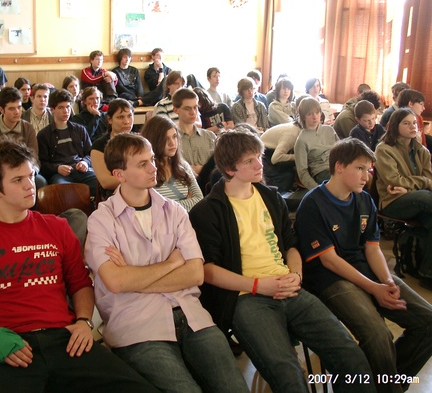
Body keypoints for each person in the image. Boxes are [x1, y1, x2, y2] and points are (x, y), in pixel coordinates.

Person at [0, 139, 159, 393]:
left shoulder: (56, 227)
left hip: (63, 339)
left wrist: (84, 321)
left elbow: (80, 284)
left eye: (30, 176)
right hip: (8, 344)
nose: (30, 185)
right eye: (17, 180)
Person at [188, 130, 375, 393]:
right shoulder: (208, 210)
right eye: (249, 161)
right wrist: (258, 285)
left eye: (259, 156)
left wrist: (296, 275)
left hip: (289, 287)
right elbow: (208, 271)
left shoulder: (270, 197)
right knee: (286, 372)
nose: (259, 164)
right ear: (230, 169)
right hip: (246, 296)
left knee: (349, 354)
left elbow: (291, 244)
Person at [85, 133, 249, 393]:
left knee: (235, 388)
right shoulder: (101, 220)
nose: (154, 167)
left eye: (152, 159)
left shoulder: (175, 212)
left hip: (191, 315)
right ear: (119, 174)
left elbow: (195, 275)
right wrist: (172, 264)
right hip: (137, 325)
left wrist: (133, 278)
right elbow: (115, 282)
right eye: (143, 164)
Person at [296, 138, 432, 393]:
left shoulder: (364, 200)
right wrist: (374, 288)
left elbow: (372, 248)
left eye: (368, 169)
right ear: (339, 166)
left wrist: (387, 282)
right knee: (378, 334)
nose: (366, 176)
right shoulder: (313, 204)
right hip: (331, 279)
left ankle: (382, 386)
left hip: (364, 269)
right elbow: (329, 260)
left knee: (428, 322)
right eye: (359, 168)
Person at [374, 108, 432, 266]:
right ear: (395, 126)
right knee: (425, 196)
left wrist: (409, 189)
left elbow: (429, 179)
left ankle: (426, 271)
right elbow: (394, 180)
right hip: (393, 201)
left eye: (414, 123)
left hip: (416, 198)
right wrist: (421, 184)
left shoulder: (422, 150)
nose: (413, 126)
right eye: (406, 123)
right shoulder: (384, 149)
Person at [0, 87, 46, 189]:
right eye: (11, 109)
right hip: (0, 173)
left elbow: (34, 157)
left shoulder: (28, 128)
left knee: (40, 181)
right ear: (1, 109)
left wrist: (30, 172)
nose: (17, 112)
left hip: (25, 171)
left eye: (19, 107)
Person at [37, 89, 97, 192]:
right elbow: (42, 163)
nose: (66, 111)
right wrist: (57, 168)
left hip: (81, 170)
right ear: (52, 110)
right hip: (60, 174)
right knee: (63, 190)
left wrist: (85, 162)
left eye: (68, 107)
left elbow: (90, 153)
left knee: (100, 182)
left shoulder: (80, 129)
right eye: (61, 108)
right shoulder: (44, 135)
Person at [141, 115, 202, 212]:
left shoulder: (183, 166)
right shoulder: (146, 170)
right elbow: (151, 209)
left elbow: (199, 200)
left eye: (174, 137)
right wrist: (186, 203)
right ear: (154, 141)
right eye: (166, 139)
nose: (172, 143)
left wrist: (167, 206)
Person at [173, 88, 216, 192]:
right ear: (176, 110)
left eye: (195, 107)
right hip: (183, 189)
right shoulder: (171, 139)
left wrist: (203, 169)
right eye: (187, 109)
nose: (193, 112)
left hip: (210, 188)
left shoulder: (210, 136)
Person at [91, 99, 134, 199]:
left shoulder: (140, 142)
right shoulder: (99, 145)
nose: (126, 121)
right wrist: (137, 178)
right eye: (120, 117)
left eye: (129, 116)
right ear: (109, 119)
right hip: (112, 195)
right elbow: (106, 182)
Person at [294, 97, 339, 190]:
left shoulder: (329, 129)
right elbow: (302, 172)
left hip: (338, 166)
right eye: (310, 114)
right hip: (322, 171)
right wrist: (317, 190)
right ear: (303, 117)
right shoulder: (301, 140)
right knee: (344, 183)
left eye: (317, 113)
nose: (315, 117)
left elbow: (342, 151)